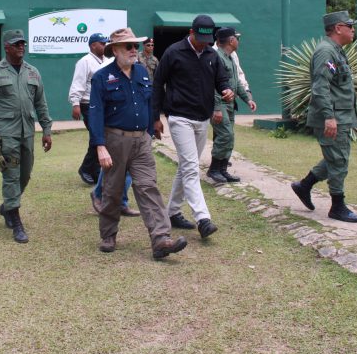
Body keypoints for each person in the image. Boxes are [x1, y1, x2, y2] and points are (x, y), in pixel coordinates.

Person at [88, 27, 187, 260]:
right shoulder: (102, 77)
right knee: (112, 191)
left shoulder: (142, 72)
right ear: (115, 50)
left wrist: (154, 123)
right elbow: (95, 113)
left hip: (141, 140)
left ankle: (161, 238)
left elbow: (150, 100)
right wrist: (100, 146)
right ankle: (108, 235)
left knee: (147, 187)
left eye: (136, 46)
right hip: (114, 140)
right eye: (129, 46)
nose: (135, 50)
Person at [152, 15, 234, 239]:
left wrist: (226, 90)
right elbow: (158, 84)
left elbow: (222, 79)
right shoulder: (173, 52)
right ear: (191, 32)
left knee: (186, 166)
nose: (203, 43)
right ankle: (203, 218)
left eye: (207, 40)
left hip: (202, 118)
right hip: (179, 118)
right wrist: (155, 117)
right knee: (190, 168)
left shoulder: (212, 55)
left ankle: (172, 211)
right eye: (199, 38)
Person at [0, 29, 53, 244]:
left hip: (27, 131)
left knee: (25, 174)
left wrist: (46, 129)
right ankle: (16, 222)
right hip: (5, 132)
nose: (21, 46)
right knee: (11, 174)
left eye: (23, 43)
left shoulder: (33, 72)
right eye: (16, 44)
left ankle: (7, 207)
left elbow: (41, 103)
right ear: (6, 47)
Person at [291, 11, 357, 223]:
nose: (352, 29)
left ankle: (304, 185)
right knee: (338, 160)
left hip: (341, 116)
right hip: (332, 118)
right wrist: (329, 117)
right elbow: (320, 87)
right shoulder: (325, 52)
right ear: (338, 28)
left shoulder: (336, 51)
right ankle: (337, 206)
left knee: (336, 157)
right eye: (349, 26)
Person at [207, 27, 257, 183]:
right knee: (225, 134)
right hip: (219, 103)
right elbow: (211, 85)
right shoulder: (216, 57)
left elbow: (236, 84)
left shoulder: (230, 57)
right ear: (230, 40)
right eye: (237, 38)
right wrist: (216, 108)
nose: (238, 41)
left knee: (230, 136)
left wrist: (247, 99)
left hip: (229, 103)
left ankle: (223, 170)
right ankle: (214, 170)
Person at [68, 33, 111, 185]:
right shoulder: (84, 61)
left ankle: (95, 170)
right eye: (102, 43)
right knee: (97, 136)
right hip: (88, 104)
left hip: (104, 104)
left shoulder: (108, 61)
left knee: (102, 136)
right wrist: (75, 103)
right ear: (93, 45)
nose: (105, 46)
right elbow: (78, 83)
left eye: (106, 43)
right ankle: (86, 169)